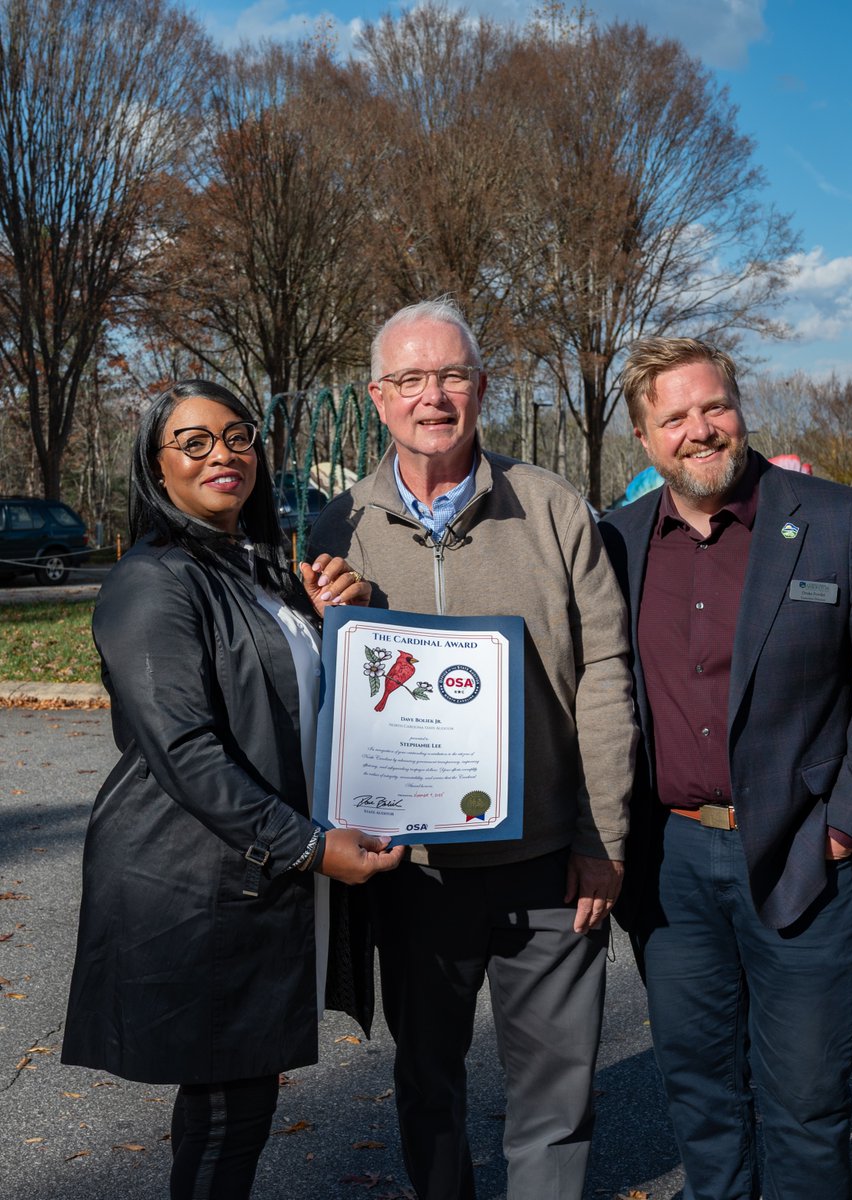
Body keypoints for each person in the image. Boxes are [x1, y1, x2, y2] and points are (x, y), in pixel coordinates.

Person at [307, 299, 638, 1200]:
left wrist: (600, 839)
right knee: (428, 1086)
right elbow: (314, 689)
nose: (434, 397)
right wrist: (333, 611)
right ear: (378, 398)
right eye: (411, 379)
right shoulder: (336, 528)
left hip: (549, 865)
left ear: (482, 388)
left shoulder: (553, 506)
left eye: (452, 375)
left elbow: (606, 673)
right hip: (414, 872)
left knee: (555, 1100)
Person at [599, 338, 852, 1200]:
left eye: (714, 407)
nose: (700, 430)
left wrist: (847, 820)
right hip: (670, 869)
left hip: (799, 852)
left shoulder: (833, 517)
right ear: (644, 437)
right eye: (674, 417)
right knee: (702, 1100)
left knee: (808, 1107)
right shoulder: (617, 544)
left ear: (739, 409)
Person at [62, 380, 404, 1199]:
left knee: (236, 1103)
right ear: (157, 468)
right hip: (194, 887)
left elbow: (292, 705)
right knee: (224, 1113)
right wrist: (312, 846)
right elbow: (183, 748)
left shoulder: (259, 574)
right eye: (194, 442)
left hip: (254, 875)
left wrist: (333, 621)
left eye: (238, 435)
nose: (224, 454)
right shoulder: (153, 582)